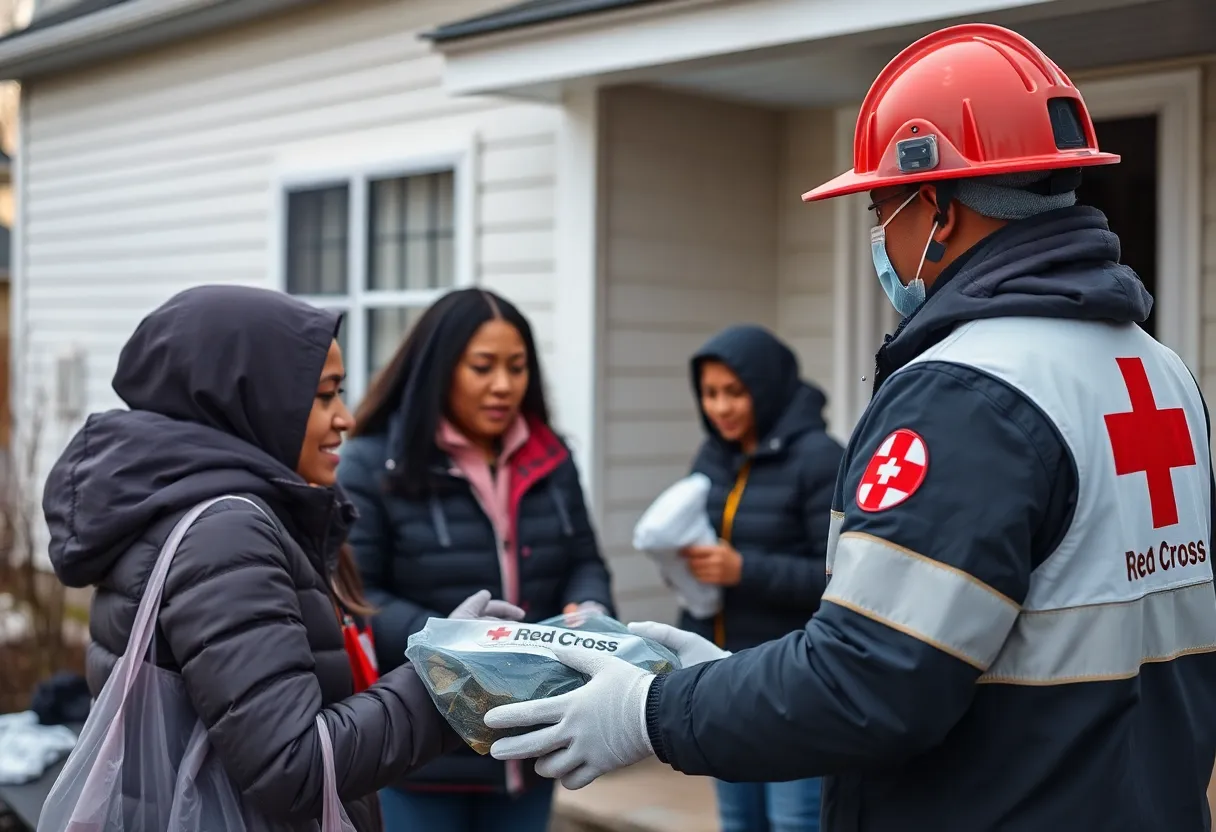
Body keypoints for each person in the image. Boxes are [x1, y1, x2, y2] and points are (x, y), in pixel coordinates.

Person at [479, 23, 1216, 831]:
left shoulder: (968, 391)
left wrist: (652, 710)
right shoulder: (1157, 368)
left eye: (878, 205)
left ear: (933, 205)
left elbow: (871, 681)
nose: (877, 233)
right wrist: (735, 678)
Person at [42, 285, 522, 831]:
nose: (344, 418)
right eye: (323, 396)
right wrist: (448, 680)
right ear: (247, 399)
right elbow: (294, 767)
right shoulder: (226, 534)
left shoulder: (186, 505)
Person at [338, 287, 614, 831]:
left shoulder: (551, 457)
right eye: (483, 367)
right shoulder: (374, 465)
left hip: (531, 739)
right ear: (439, 370)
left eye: (517, 367)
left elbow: (584, 556)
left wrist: (592, 606)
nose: (504, 385)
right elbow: (359, 597)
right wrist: (471, 645)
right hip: (421, 751)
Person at [681, 324, 842, 832]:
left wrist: (744, 570)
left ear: (767, 387)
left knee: (795, 822)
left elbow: (841, 575)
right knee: (738, 822)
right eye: (709, 394)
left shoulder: (821, 459)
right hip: (722, 679)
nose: (721, 408)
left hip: (793, 686)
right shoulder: (712, 457)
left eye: (735, 392)